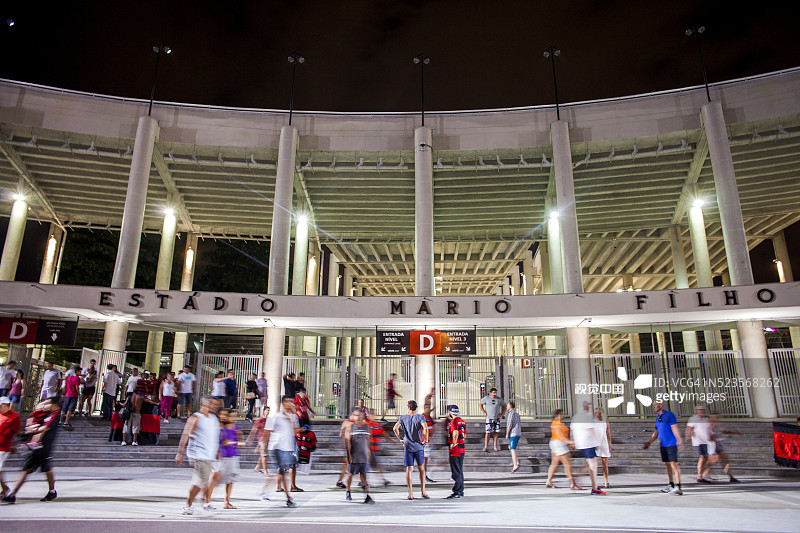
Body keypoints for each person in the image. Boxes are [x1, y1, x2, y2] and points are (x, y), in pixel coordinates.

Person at [2, 397, 60, 504]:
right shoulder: (46, 413)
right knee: (40, 468)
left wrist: (35, 429)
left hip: (44, 447)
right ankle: (51, 491)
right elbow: (34, 421)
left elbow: (46, 428)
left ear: (54, 405)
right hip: (38, 447)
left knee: (34, 469)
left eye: (47, 404)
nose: (45, 406)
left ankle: (13, 493)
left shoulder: (56, 414)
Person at [175, 397, 221, 514]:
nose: (214, 406)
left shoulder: (214, 418)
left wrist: (217, 451)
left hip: (210, 455)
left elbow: (215, 436)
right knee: (200, 482)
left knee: (208, 480)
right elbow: (185, 435)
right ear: (204, 404)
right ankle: (188, 505)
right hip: (199, 454)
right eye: (212, 403)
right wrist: (180, 453)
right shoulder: (196, 417)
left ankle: (201, 500)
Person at [262, 397, 302, 507]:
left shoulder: (293, 417)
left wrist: (302, 429)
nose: (292, 404)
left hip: (287, 447)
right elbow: (268, 431)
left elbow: (294, 431)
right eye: (290, 402)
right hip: (277, 447)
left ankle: (264, 491)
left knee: (279, 472)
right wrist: (265, 445)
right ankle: (289, 498)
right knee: (282, 472)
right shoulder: (276, 417)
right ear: (284, 403)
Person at [643, 399, 683, 495]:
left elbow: (674, 428)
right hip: (663, 444)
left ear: (661, 405)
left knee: (674, 464)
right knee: (668, 465)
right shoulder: (658, 418)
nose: (654, 407)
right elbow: (656, 432)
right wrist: (649, 442)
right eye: (653, 405)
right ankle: (671, 484)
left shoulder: (669, 415)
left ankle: (678, 486)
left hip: (671, 444)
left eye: (655, 405)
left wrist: (679, 440)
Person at [393, 399, 429, 500]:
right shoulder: (420, 417)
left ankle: (410, 493)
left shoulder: (403, 418)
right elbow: (425, 428)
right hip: (418, 446)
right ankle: (423, 491)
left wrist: (401, 439)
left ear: (408, 408)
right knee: (421, 469)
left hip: (408, 446)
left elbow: (395, 428)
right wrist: (425, 440)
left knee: (409, 469)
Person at [571, 400, 605, 495]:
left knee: (590, 464)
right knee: (593, 465)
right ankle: (594, 488)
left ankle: (579, 479)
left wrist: (573, 442)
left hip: (581, 444)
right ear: (586, 407)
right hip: (589, 443)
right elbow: (591, 430)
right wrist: (599, 442)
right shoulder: (587, 417)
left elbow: (571, 431)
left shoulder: (576, 417)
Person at [342, 407, 375, 504]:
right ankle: (348, 491)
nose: (358, 418)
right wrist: (349, 455)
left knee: (364, 475)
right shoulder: (350, 427)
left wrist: (369, 451)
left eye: (360, 415)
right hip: (354, 454)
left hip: (363, 455)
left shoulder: (367, 427)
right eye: (356, 415)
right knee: (350, 474)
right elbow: (347, 441)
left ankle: (367, 495)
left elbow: (369, 440)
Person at [545, 409, 580, 489]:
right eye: (562, 414)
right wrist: (571, 443)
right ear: (558, 415)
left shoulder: (557, 424)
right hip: (559, 445)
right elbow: (561, 437)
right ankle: (572, 483)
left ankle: (549, 481)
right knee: (567, 463)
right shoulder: (556, 424)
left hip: (556, 443)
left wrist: (569, 443)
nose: (564, 415)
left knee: (554, 464)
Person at [218, 408, 243, 509]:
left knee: (230, 480)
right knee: (220, 479)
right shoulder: (222, 429)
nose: (233, 419)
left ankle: (227, 500)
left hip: (233, 455)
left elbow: (240, 442)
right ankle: (207, 498)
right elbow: (220, 443)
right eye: (231, 416)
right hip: (225, 456)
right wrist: (224, 442)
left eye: (234, 417)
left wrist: (240, 438)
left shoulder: (236, 428)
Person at [706, 412, 741, 483]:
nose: (716, 418)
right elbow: (709, 434)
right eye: (714, 417)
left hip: (718, 444)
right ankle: (706, 473)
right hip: (712, 444)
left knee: (724, 459)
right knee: (714, 460)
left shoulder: (717, 424)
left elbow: (724, 431)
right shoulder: (709, 424)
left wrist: (734, 432)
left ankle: (730, 476)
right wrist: (715, 440)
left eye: (716, 417)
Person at [0, 397, 22, 499]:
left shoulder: (14, 416)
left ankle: (5, 489)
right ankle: (5, 489)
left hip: (4, 446)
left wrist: (14, 444)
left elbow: (17, 431)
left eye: (1, 406)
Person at [686, 405, 712, 483]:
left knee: (707, 458)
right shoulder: (693, 419)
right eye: (700, 410)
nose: (701, 411)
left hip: (706, 441)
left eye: (703, 410)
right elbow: (689, 428)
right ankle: (700, 476)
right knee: (703, 457)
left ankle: (704, 473)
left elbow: (709, 429)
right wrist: (688, 436)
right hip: (698, 441)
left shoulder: (705, 419)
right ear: (696, 411)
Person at [445, 404, 467, 499]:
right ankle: (460, 490)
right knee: (460, 469)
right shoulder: (462, 421)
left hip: (456, 449)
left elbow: (455, 432)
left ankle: (457, 491)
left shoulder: (454, 421)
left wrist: (454, 443)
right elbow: (464, 435)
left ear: (450, 412)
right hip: (462, 447)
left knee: (456, 470)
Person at [480, 388, 505, 452]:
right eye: (493, 393)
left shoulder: (499, 399)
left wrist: (502, 413)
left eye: (495, 393)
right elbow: (481, 404)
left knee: (496, 432)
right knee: (488, 432)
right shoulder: (486, 398)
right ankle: (486, 446)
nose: (495, 394)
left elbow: (504, 405)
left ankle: (495, 446)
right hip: (489, 418)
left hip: (496, 418)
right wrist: (484, 411)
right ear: (490, 393)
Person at [247, 406, 270, 476]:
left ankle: (257, 467)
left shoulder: (269, 420)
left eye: (269, 410)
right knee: (264, 455)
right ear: (264, 411)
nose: (268, 412)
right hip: (262, 439)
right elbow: (254, 431)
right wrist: (249, 439)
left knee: (264, 455)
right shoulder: (260, 421)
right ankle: (265, 471)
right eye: (267, 410)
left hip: (267, 439)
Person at [335, 411, 356, 489]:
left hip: (355, 447)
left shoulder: (356, 423)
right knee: (346, 464)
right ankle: (340, 481)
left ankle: (361, 480)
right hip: (349, 447)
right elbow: (342, 433)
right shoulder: (347, 423)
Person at [595, 408, 612, 488]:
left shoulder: (605, 423)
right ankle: (594, 482)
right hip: (595, 444)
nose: (595, 413)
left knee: (604, 464)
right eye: (595, 412)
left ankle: (606, 482)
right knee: (594, 464)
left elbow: (608, 435)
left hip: (604, 444)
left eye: (597, 412)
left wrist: (609, 445)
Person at [505, 401, 522, 473]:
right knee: (510, 447)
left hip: (514, 433)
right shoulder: (516, 414)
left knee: (512, 448)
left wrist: (507, 433)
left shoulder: (511, 414)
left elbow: (510, 424)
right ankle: (516, 461)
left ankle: (515, 464)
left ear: (511, 406)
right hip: (518, 432)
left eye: (508, 405)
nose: (506, 406)